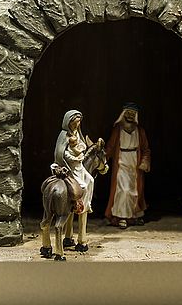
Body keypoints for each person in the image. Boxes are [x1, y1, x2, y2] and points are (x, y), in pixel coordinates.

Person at [104, 103, 150, 228]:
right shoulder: (118, 129)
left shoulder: (140, 131)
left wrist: (144, 162)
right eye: (128, 113)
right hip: (121, 162)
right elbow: (110, 147)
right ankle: (122, 217)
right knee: (123, 190)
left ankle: (134, 216)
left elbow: (145, 149)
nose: (130, 115)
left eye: (133, 113)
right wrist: (104, 157)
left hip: (135, 162)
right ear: (123, 114)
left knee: (134, 191)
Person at [53, 109, 95, 249]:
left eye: (78, 123)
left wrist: (80, 152)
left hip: (79, 165)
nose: (76, 125)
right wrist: (73, 157)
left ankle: (87, 204)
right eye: (74, 123)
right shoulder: (63, 135)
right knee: (82, 185)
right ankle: (78, 203)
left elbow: (82, 145)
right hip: (69, 167)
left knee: (90, 180)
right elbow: (61, 153)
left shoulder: (77, 133)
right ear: (68, 123)